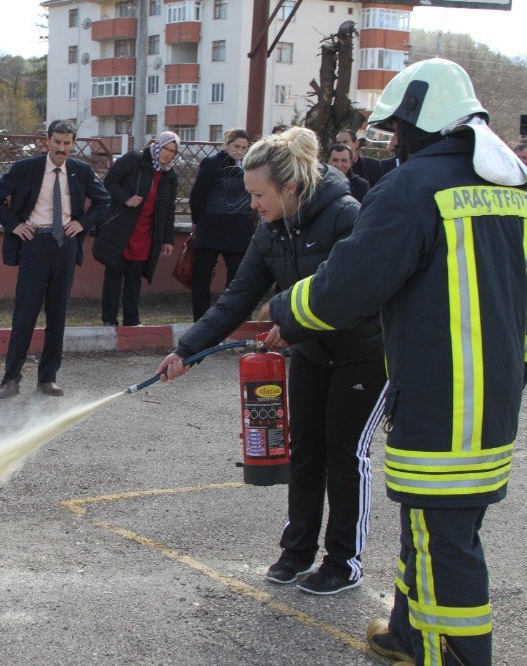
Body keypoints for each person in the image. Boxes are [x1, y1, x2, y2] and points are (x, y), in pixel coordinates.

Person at [267, 59, 527, 665]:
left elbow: (348, 286)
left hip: (441, 393)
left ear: (416, 124)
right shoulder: (509, 186)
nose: (393, 142)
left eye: (396, 130)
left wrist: (285, 309)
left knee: (446, 540)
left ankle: (455, 655)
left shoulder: (414, 188)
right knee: (437, 524)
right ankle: (408, 632)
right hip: (492, 392)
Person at [157, 127, 386, 595]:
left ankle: (343, 562)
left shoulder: (347, 215)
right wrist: (187, 349)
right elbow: (236, 299)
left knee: (345, 457)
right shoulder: (269, 231)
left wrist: (292, 324)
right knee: (304, 453)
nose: (253, 205)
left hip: (362, 355)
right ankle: (297, 552)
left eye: (259, 195)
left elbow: (353, 296)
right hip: (312, 355)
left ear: (291, 188)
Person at [0, 120, 110, 398]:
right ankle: (11, 379)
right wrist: (15, 224)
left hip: (65, 245)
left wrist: (82, 224)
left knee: (57, 314)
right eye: (57, 142)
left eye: (67, 143)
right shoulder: (25, 168)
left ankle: (48, 378)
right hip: (34, 243)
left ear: (73, 143)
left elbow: (104, 202)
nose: (61, 148)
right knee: (25, 313)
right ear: (47, 140)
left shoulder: (81, 171)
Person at [93, 131, 179, 327]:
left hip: (146, 234)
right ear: (157, 145)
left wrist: (167, 239)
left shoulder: (170, 175)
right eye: (165, 148)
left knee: (134, 278)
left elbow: (169, 209)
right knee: (114, 276)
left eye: (172, 151)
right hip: (121, 228)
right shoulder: (135, 160)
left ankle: (132, 320)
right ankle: (109, 320)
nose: (167, 154)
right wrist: (126, 198)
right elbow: (109, 182)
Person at [187, 128, 256, 321]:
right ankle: (200, 319)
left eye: (244, 147)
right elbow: (197, 194)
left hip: (239, 230)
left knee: (237, 278)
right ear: (227, 144)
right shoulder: (212, 163)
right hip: (211, 228)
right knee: (202, 277)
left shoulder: (250, 166)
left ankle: (232, 318)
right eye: (236, 146)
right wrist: (196, 220)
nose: (239, 151)